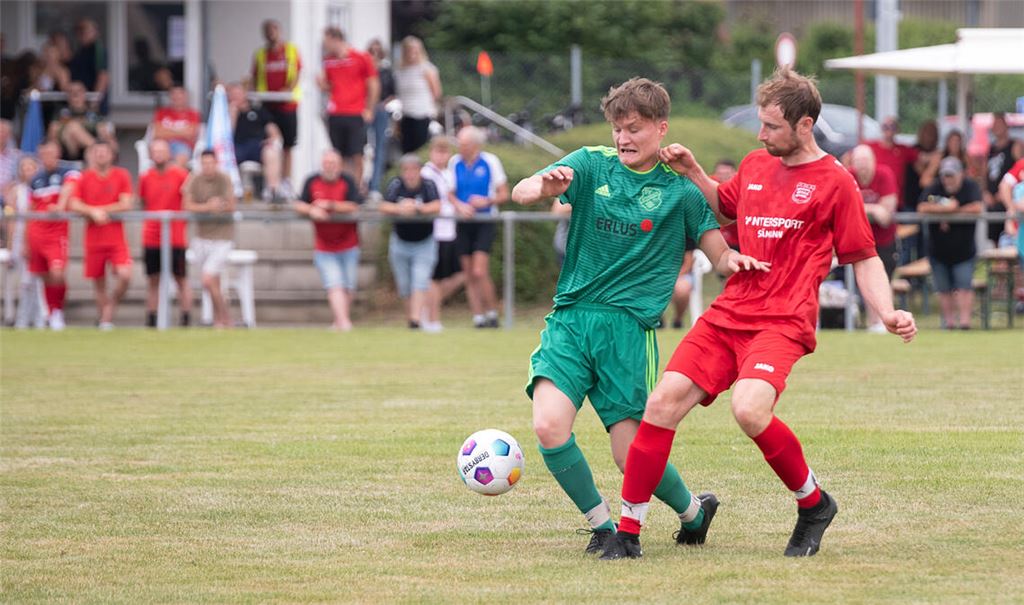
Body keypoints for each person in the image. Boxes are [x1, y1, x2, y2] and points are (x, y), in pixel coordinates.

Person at [602, 69, 917, 560]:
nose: (761, 134)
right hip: (729, 314)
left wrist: (887, 310)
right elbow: (725, 211)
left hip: (782, 321)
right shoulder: (754, 164)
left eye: (771, 126)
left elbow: (863, 257)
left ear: (805, 124)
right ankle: (628, 532)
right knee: (660, 405)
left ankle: (813, 504)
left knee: (749, 410)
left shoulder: (836, 183)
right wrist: (696, 173)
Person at [511, 77, 766, 557]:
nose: (623, 138)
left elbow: (719, 253)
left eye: (633, 128)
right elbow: (523, 192)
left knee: (630, 455)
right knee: (548, 426)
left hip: (628, 332)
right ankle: (603, 526)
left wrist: (739, 261)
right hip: (570, 320)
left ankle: (693, 510)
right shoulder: (589, 163)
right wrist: (541, 185)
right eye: (617, 128)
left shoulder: (682, 194)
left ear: (660, 128)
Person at [294, 149, 362, 331]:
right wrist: (311, 210)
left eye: (333, 163)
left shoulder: (347, 181)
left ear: (339, 166)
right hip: (324, 245)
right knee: (334, 285)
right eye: (326, 163)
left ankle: (339, 322)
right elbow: (298, 203)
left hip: (349, 243)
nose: (329, 167)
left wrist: (330, 205)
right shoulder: (311, 181)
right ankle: (345, 323)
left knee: (348, 287)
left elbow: (354, 206)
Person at [69, 142, 133, 329]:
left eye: (105, 152)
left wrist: (100, 210)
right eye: (98, 152)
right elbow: (74, 203)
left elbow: (126, 203)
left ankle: (109, 310)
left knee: (125, 274)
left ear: (112, 155)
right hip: (93, 238)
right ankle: (105, 320)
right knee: (99, 283)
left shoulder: (121, 175)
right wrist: (92, 211)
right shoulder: (85, 177)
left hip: (115, 238)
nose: (101, 156)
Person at [451, 126, 508, 328]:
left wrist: (486, 201)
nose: (460, 148)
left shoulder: (490, 161)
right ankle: (478, 316)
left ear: (475, 145)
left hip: (484, 221)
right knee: (468, 272)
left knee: (479, 271)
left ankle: (492, 312)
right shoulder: (454, 163)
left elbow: (503, 193)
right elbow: (450, 192)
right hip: (463, 222)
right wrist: (460, 206)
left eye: (464, 144)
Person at [918, 157, 983, 330]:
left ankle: (965, 323)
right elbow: (922, 207)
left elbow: (977, 207)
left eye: (951, 175)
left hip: (964, 250)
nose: (948, 179)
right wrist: (945, 210)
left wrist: (955, 211)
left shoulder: (970, 186)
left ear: (960, 174)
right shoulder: (935, 187)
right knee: (943, 289)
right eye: (945, 175)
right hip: (938, 250)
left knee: (964, 286)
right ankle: (949, 323)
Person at [381, 154, 441, 329]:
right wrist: (400, 208)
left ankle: (415, 321)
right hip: (400, 241)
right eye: (406, 170)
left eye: (413, 169)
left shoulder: (428, 185)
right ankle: (413, 319)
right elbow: (383, 206)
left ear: (419, 170)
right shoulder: (395, 184)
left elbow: (437, 205)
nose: (410, 174)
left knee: (420, 281)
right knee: (405, 286)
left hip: (424, 242)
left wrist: (419, 208)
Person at [139, 139, 192, 327]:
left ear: (169, 153)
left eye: (162, 151)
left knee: (180, 278)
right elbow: (144, 201)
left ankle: (185, 318)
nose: (158, 154)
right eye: (155, 151)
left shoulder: (180, 175)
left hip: (175, 236)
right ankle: (152, 319)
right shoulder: (146, 177)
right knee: (153, 279)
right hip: (152, 236)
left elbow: (187, 200)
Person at [318, 27, 379, 190]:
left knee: (357, 154)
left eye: (326, 41)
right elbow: (330, 86)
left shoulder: (360, 57)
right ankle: (344, 189)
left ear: (335, 39)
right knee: (340, 155)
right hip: (336, 113)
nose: (325, 44)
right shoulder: (328, 60)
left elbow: (373, 83)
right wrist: (322, 85)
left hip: (355, 112)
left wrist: (369, 109)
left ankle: (356, 189)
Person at [26, 142, 78, 330]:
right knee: (44, 275)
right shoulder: (36, 180)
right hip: (36, 233)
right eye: (44, 153)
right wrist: (26, 240)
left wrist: (61, 206)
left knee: (57, 273)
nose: (47, 157)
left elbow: (70, 188)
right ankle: (51, 312)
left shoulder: (68, 172)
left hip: (56, 233)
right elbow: (30, 211)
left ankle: (57, 311)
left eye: (51, 153)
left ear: (58, 153)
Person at [848, 144, 900, 332]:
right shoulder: (848, 176)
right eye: (858, 161)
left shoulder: (884, 175)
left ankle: (887, 321)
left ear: (873, 161)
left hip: (884, 240)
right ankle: (873, 323)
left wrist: (859, 209)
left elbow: (886, 215)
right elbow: (844, 209)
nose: (862, 166)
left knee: (885, 279)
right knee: (866, 281)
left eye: (866, 161)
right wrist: (872, 209)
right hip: (859, 240)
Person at [184, 150, 236, 328]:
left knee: (207, 279)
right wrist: (208, 207)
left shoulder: (224, 179)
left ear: (216, 163)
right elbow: (187, 205)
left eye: (210, 163)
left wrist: (219, 206)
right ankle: (219, 321)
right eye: (204, 163)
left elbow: (231, 205)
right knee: (212, 282)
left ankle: (225, 317)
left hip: (222, 238)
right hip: (201, 237)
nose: (207, 167)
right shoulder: (195, 179)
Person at [251, 19, 301, 189]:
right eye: (267, 30)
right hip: (268, 105)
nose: (270, 34)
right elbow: (255, 77)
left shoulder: (291, 51)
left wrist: (287, 90)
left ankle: (286, 180)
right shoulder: (260, 54)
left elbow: (297, 73)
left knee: (288, 145)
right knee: (270, 142)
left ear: (279, 30)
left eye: (273, 30)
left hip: (287, 105)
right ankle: (272, 181)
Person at [421, 135, 463, 332]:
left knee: (457, 275)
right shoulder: (426, 174)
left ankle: (425, 307)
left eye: (444, 152)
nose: (441, 156)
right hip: (435, 231)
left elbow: (452, 196)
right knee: (435, 278)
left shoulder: (449, 173)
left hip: (450, 231)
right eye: (437, 151)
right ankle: (433, 319)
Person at [7, 156, 47, 329]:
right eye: (25, 167)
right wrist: (11, 245)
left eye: (32, 167)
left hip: (38, 238)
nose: (28, 171)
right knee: (25, 281)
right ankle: (21, 318)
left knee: (36, 281)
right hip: (20, 239)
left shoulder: (42, 190)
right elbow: (13, 220)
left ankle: (39, 317)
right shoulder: (18, 191)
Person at [227, 83, 284, 202]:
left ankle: (273, 192)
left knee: (271, 152)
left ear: (245, 94)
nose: (236, 96)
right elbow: (226, 134)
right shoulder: (225, 112)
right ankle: (233, 193)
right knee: (227, 156)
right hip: (236, 147)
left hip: (257, 146)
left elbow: (273, 130)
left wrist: (273, 139)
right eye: (233, 94)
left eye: (238, 93)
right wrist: (233, 114)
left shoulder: (258, 110)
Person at [394, 36, 442, 154]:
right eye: (409, 50)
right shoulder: (400, 70)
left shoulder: (427, 68)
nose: (412, 53)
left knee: (420, 148)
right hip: (406, 114)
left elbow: (436, 92)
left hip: (422, 114)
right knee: (406, 149)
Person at [48, 81, 117, 162]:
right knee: (73, 127)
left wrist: (107, 135)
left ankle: (99, 153)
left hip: (87, 150)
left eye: (79, 91)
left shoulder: (93, 113)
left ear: (84, 94)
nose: (75, 94)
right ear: (68, 95)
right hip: (68, 148)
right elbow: (52, 133)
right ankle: (98, 150)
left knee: (106, 132)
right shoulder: (61, 112)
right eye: (72, 92)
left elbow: (104, 129)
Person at [867, 116, 917, 210]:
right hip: (875, 201)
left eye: (893, 126)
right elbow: (850, 157)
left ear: (897, 129)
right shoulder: (870, 146)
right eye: (885, 126)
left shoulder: (903, 150)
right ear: (881, 128)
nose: (889, 130)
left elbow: (921, 159)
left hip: (896, 202)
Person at [366, 39, 395, 194]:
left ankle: (375, 185)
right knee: (363, 149)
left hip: (380, 109)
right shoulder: (364, 69)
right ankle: (362, 183)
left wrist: (383, 103)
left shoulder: (385, 70)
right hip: (365, 109)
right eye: (372, 51)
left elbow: (392, 91)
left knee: (380, 148)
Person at [985, 112, 1018, 244]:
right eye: (995, 124)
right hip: (992, 201)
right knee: (995, 239)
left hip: (1008, 200)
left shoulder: (1015, 146)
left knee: (1009, 235)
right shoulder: (991, 149)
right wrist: (985, 193)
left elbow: (1019, 172)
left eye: (1000, 124)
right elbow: (984, 174)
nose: (997, 127)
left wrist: (1006, 193)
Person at [151, 86, 201, 167]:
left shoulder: (193, 114)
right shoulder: (161, 113)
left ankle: (172, 178)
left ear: (185, 97)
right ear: (170, 97)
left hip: (183, 145)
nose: (177, 97)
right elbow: (157, 133)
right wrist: (181, 131)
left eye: (180, 94)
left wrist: (167, 131)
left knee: (181, 152)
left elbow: (190, 134)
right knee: (159, 149)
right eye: (174, 94)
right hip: (163, 144)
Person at [68, 18, 108, 114]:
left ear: (95, 32)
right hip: (78, 101)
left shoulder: (97, 50)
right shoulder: (80, 51)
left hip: (90, 102)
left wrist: (95, 101)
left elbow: (103, 76)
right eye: (80, 31)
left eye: (86, 30)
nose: (82, 34)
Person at [712, 159, 740, 251]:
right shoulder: (711, 183)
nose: (723, 177)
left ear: (735, 174)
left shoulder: (741, 187)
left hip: (738, 240)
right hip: (716, 239)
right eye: (720, 174)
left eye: (727, 174)